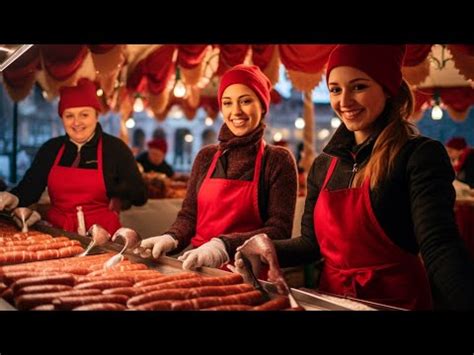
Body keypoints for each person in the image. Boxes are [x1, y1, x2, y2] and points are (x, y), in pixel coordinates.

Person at [231, 45, 474, 310]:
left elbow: (439, 245)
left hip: (398, 302)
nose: (344, 101)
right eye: (335, 89)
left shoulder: (419, 155)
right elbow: (311, 244)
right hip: (332, 301)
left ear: (387, 88)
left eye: (358, 87)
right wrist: (265, 247)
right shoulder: (324, 165)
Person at [135, 64, 298, 271]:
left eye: (246, 101)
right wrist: (172, 237)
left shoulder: (277, 160)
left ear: (263, 106)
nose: (235, 111)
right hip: (197, 265)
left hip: (249, 273)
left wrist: (222, 246)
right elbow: (189, 215)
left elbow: (280, 230)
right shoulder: (206, 156)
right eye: (227, 103)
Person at [0, 78, 147, 235]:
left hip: (104, 236)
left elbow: (140, 195)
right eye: (69, 116)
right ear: (62, 118)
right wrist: (12, 197)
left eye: (84, 114)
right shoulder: (51, 148)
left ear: (96, 116)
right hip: (57, 233)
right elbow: (30, 188)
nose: (76, 122)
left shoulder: (115, 148)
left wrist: (115, 189)